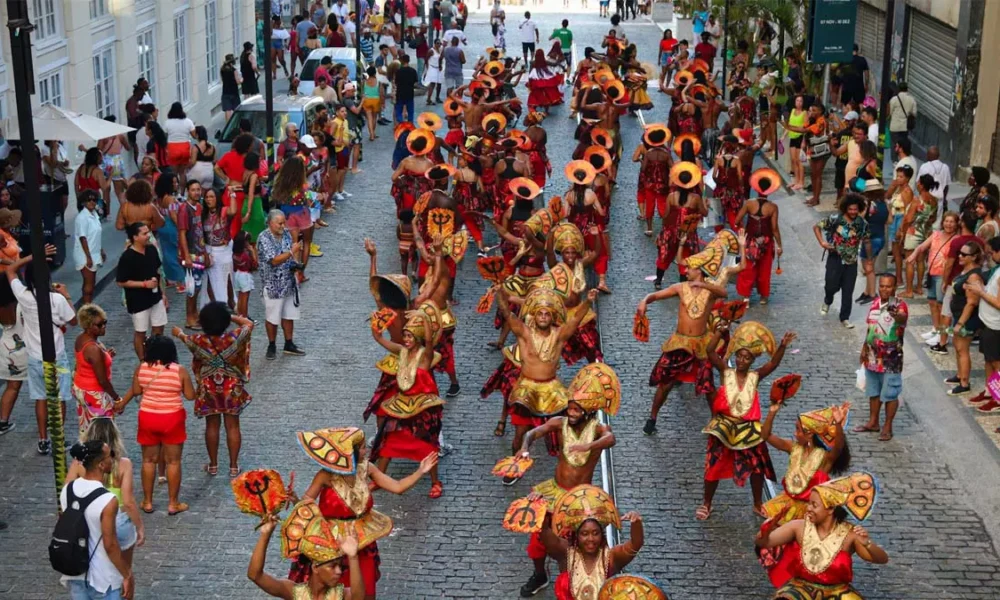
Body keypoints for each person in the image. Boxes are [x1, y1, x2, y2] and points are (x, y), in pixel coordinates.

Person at [289, 428, 438, 596]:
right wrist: (294, 499)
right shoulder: (325, 476)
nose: (366, 450)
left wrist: (420, 471)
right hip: (333, 544)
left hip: (363, 542)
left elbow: (397, 487)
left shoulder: (367, 468)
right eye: (361, 448)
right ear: (348, 452)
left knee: (364, 590)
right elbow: (307, 503)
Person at [639, 233, 747, 435]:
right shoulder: (680, 287)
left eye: (689, 268)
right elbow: (656, 295)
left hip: (701, 345)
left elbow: (724, 293)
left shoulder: (710, 290)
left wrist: (704, 285)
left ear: (699, 270)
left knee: (708, 387)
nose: (685, 271)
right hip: (679, 344)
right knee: (666, 384)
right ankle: (652, 417)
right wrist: (645, 300)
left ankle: (717, 421)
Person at [700, 322, 792, 519]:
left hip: (749, 429)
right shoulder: (726, 372)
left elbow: (773, 364)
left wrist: (782, 345)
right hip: (724, 427)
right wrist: (718, 333)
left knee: (757, 467)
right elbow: (710, 352)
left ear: (752, 360)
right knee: (713, 466)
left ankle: (758, 503)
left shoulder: (755, 376)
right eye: (739, 356)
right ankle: (707, 503)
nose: (741, 360)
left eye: (746, 357)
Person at [757, 402, 852, 585]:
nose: (795, 433)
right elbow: (765, 435)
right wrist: (771, 412)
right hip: (786, 506)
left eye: (798, 430)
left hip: (810, 511)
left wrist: (838, 425)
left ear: (809, 434)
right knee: (777, 546)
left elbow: (838, 449)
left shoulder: (824, 458)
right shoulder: (793, 448)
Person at [756, 474, 888, 596]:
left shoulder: (850, 534)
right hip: (801, 591)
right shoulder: (798, 526)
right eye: (809, 504)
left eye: (814, 505)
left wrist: (868, 544)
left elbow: (882, 559)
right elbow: (763, 543)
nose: (808, 509)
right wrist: (767, 530)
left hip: (837, 594)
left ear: (830, 509)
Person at [114, 335, 195, 515]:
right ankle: (173, 503)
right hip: (172, 418)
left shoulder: (141, 368)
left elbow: (136, 390)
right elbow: (190, 395)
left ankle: (148, 501)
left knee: (148, 460)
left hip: (148, 417)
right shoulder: (179, 370)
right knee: (173, 461)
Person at [5, 252, 76, 455]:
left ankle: (43, 439)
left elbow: (10, 270)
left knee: (41, 398)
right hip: (57, 355)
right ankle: (59, 439)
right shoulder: (57, 299)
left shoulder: (24, 296)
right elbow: (72, 321)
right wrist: (67, 295)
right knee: (60, 398)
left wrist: (32, 257)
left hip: (35, 357)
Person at [173, 302, 253, 477]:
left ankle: (214, 465)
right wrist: (228, 315)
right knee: (233, 426)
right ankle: (233, 466)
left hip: (209, 387)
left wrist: (178, 332)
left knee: (211, 425)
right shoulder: (234, 338)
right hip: (231, 387)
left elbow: (182, 336)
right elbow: (248, 324)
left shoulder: (197, 341)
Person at [66, 419, 143, 576]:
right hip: (118, 520)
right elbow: (128, 502)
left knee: (94, 569)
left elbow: (68, 492)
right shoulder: (123, 464)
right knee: (124, 571)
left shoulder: (78, 464)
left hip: (89, 520)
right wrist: (139, 526)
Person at [537, 489, 644, 599]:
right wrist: (538, 505)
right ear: (577, 535)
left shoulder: (611, 557)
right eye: (584, 533)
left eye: (595, 533)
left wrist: (636, 523)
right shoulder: (567, 553)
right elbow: (544, 532)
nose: (591, 539)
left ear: (601, 534)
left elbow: (635, 544)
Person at [60, 441, 133, 599]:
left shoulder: (68, 490)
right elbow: (110, 544)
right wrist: (127, 575)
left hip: (76, 572)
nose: (112, 458)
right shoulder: (108, 500)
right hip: (103, 577)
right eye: (109, 456)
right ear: (101, 464)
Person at [250, 517, 364, 600]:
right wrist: (265, 534)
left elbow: (358, 598)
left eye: (340, 566)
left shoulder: (341, 595)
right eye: (332, 566)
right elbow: (255, 575)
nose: (339, 571)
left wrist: (353, 557)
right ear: (315, 567)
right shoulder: (294, 591)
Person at [854, 274, 909, 441]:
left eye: (888, 286)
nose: (885, 289)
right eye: (882, 286)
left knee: (890, 392)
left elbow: (902, 318)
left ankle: (887, 426)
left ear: (894, 288)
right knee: (873, 390)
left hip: (891, 357)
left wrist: (895, 314)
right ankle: (873, 422)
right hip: (872, 354)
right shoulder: (875, 304)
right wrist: (864, 348)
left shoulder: (899, 305)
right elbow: (870, 328)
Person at [814, 193, 871, 327]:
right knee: (831, 285)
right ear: (845, 208)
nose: (853, 212)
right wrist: (822, 242)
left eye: (855, 209)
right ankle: (828, 300)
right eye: (850, 209)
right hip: (835, 258)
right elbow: (816, 227)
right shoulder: (835, 219)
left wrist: (869, 260)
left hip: (851, 262)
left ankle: (844, 318)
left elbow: (867, 241)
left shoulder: (862, 224)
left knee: (848, 290)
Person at [908, 211, 958, 355]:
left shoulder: (956, 239)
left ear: (956, 224)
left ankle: (943, 334)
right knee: (932, 302)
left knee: (943, 308)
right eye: (946, 221)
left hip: (944, 276)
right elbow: (922, 246)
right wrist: (914, 254)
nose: (948, 224)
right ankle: (936, 329)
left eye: (952, 221)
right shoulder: (936, 235)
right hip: (932, 272)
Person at [257, 210, 306, 360]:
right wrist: (292, 252)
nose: (283, 226)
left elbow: (289, 253)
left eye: (284, 222)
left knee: (288, 314)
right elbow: (274, 260)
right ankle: (272, 345)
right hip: (273, 284)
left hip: (288, 281)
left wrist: (296, 264)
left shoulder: (285, 234)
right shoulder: (263, 238)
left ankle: (288, 343)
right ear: (271, 223)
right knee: (272, 316)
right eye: (280, 223)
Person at [117, 222, 168, 360]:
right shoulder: (127, 257)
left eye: (148, 232)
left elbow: (158, 272)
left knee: (159, 329)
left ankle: (156, 355)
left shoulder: (151, 250)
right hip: (138, 301)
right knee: (140, 331)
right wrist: (144, 284)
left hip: (155, 297)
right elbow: (121, 281)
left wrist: (163, 294)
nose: (148, 236)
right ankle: (142, 360)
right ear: (135, 237)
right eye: (144, 234)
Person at [72, 304, 120, 438]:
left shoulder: (81, 339)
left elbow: (84, 363)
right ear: (88, 326)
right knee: (103, 434)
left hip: (83, 389)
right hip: (95, 394)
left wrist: (107, 356)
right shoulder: (93, 348)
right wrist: (116, 398)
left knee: (87, 428)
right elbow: (102, 380)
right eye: (99, 325)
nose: (104, 326)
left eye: (104, 322)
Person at [735, 170, 782, 305]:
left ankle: (746, 298)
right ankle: (763, 297)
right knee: (764, 269)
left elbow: (737, 220)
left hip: (749, 242)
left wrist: (743, 231)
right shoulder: (773, 207)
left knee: (748, 269)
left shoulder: (749, 203)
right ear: (770, 190)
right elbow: (774, 228)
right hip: (766, 242)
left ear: (757, 188)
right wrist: (779, 245)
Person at [964, 237, 1000, 412]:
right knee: (988, 360)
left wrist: (980, 292)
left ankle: (997, 398)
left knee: (996, 363)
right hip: (987, 322)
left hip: (996, 325)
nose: (990, 256)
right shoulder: (996, 270)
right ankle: (989, 390)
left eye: (992, 252)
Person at [946, 241, 985, 396]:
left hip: (966, 318)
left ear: (974, 257)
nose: (960, 256)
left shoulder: (974, 275)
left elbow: (972, 302)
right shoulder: (965, 271)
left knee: (963, 349)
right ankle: (960, 374)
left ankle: (964, 382)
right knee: (957, 346)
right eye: (959, 253)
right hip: (958, 314)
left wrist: (961, 323)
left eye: (964, 254)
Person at [898, 173, 938, 299]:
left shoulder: (916, 200)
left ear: (921, 185)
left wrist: (902, 233)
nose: (916, 183)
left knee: (910, 262)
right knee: (921, 261)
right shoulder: (933, 200)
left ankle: (909, 291)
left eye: (918, 182)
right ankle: (919, 287)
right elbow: (933, 218)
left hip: (913, 233)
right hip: (925, 233)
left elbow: (908, 219)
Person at [0, 274, 27, 435]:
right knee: (43, 390)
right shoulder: (21, 304)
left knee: (12, 386)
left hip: (6, 348)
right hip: (25, 348)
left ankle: (3, 421)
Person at [201, 188, 237, 306]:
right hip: (209, 250)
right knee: (211, 279)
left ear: (217, 198)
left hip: (224, 250)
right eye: (206, 197)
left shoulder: (223, 211)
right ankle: (215, 304)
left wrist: (232, 194)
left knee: (227, 276)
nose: (208, 199)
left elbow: (233, 211)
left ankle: (230, 301)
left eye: (211, 197)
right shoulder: (203, 214)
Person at [883, 164, 914, 295]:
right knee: (895, 250)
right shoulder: (898, 188)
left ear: (907, 178)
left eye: (901, 177)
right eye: (897, 176)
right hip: (894, 218)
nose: (898, 178)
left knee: (897, 251)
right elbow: (887, 196)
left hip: (900, 219)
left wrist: (901, 229)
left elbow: (908, 211)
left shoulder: (907, 191)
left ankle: (900, 279)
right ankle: (899, 277)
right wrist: (892, 185)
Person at [74, 190, 106, 304]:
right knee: (89, 284)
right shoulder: (82, 217)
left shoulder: (95, 215)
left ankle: (88, 306)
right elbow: (83, 238)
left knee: (91, 284)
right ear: (83, 202)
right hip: (85, 254)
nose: (92, 202)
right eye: (89, 200)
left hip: (94, 252)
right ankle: (87, 308)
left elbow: (95, 236)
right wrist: (88, 257)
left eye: (94, 200)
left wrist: (101, 251)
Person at [916, 145, 950, 218]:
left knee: (924, 220)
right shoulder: (945, 167)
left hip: (926, 199)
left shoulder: (925, 166)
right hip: (940, 200)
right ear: (939, 155)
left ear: (928, 155)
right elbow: (946, 186)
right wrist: (944, 199)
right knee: (937, 222)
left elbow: (918, 183)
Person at [888, 81, 916, 148]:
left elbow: (890, 113)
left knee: (895, 145)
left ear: (899, 89)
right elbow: (914, 114)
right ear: (907, 89)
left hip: (894, 126)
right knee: (902, 145)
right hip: (905, 127)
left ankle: (894, 158)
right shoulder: (912, 100)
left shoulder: (894, 99)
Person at [188, 126, 217, 191]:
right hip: (209, 172)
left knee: (195, 193)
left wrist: (186, 167)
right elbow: (215, 161)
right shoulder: (213, 147)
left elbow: (192, 162)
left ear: (197, 135)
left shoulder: (196, 147)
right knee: (206, 195)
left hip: (198, 172)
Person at [393, 54, 419, 125]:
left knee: (398, 111)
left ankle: (401, 123)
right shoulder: (413, 71)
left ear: (401, 61)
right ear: (409, 61)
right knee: (410, 112)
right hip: (409, 94)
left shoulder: (398, 71)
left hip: (400, 94)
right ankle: (410, 126)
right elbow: (415, 83)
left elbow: (396, 82)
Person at [220, 54, 242, 122]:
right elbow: (238, 82)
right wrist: (242, 79)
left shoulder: (222, 69)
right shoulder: (234, 70)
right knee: (236, 109)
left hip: (225, 92)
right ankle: (236, 123)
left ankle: (228, 124)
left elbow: (222, 79)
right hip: (234, 92)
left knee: (227, 109)